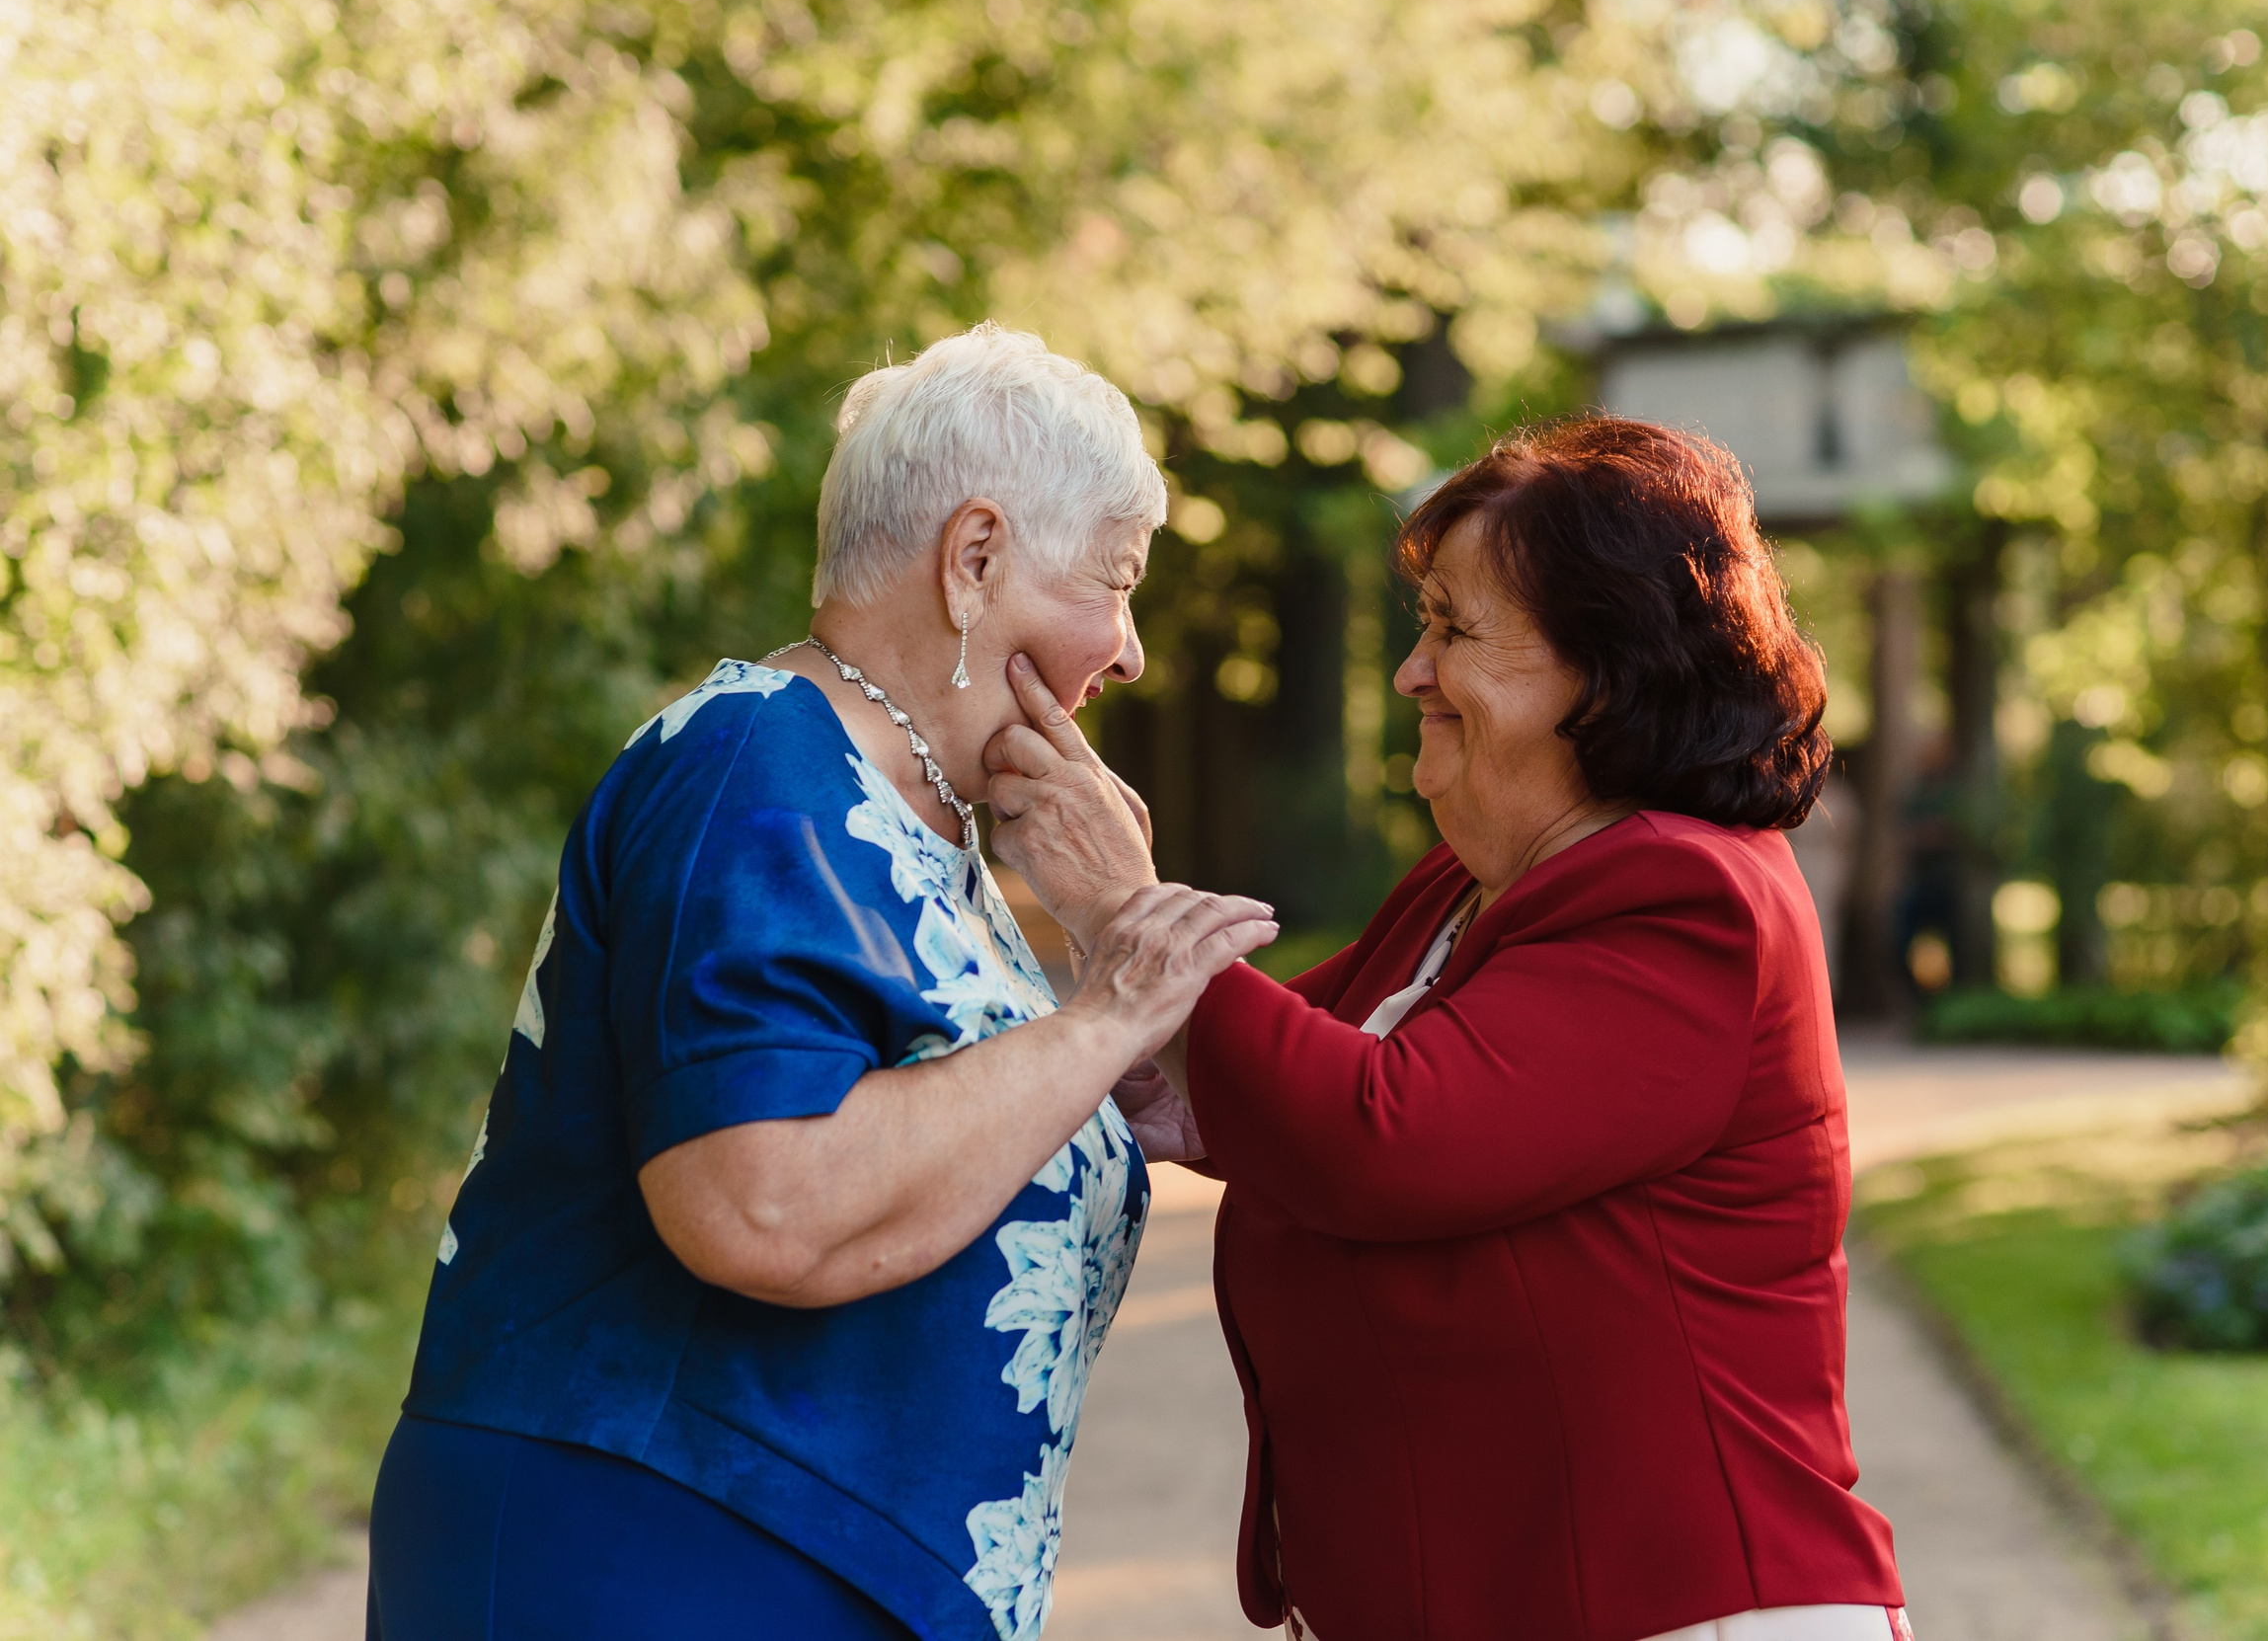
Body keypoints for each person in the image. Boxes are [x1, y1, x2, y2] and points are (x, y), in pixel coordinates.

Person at [366, 324, 1277, 1641]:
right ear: (974, 559)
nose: (1128, 650)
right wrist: (1108, 1012)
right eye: (1115, 581)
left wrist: (1100, 1077)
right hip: (656, 1544)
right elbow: (762, 1203)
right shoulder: (753, 764)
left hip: (789, 1559)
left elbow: (923, 1132)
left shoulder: (920, 826)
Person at [992, 415, 1909, 1641]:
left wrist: (1123, 906)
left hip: (1679, 1609)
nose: (1411, 672)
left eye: (1455, 631)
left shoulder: (1688, 897)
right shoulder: (1475, 884)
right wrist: (1169, 1075)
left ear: (1608, 664)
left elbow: (1381, 1134)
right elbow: (1301, 1066)